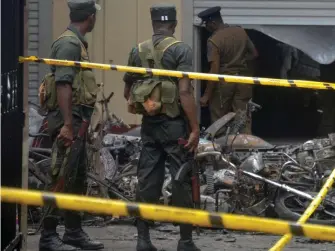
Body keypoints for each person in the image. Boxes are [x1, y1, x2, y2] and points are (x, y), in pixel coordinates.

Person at [123, 3, 200, 251]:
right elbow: (185, 92)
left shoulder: (137, 51)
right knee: (180, 180)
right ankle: (185, 241)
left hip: (149, 125)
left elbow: (127, 91)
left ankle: (143, 241)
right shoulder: (180, 50)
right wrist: (195, 128)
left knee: (146, 179)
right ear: (174, 25)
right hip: (174, 126)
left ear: (153, 24)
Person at [38, 0, 104, 251]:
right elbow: (64, 84)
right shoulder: (68, 44)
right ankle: (48, 236)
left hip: (78, 120)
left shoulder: (77, 43)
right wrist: (67, 125)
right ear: (89, 17)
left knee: (75, 177)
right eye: (94, 16)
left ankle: (73, 232)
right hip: (69, 119)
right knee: (59, 175)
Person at [198, 6, 258, 134]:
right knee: (243, 118)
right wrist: (239, 61)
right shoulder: (240, 32)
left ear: (213, 23)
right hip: (243, 80)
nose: (206, 27)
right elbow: (254, 54)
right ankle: (244, 149)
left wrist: (206, 96)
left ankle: (219, 150)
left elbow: (214, 71)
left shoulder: (214, 40)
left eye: (206, 23)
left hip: (224, 83)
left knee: (219, 120)